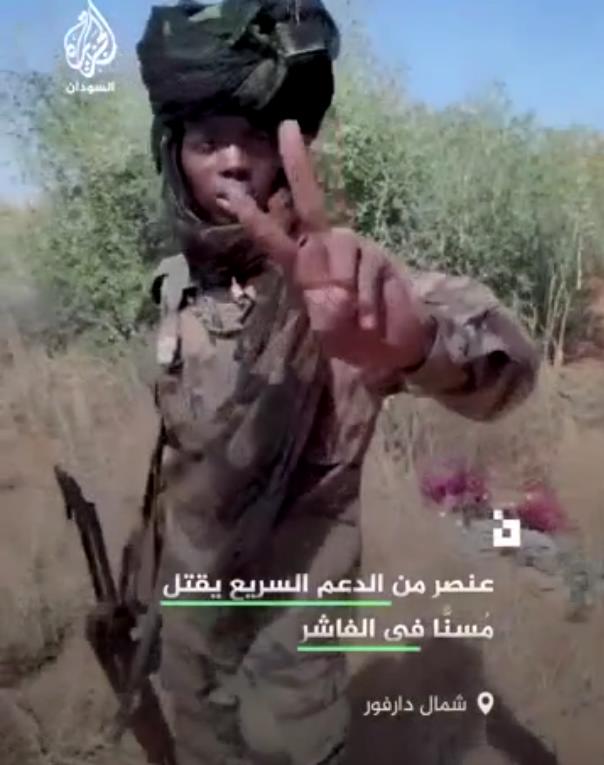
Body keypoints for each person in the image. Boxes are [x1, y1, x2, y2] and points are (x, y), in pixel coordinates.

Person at [131, 1, 540, 763]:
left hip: (288, 674)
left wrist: (415, 340)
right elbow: (180, 466)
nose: (232, 161)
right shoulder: (176, 286)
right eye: (207, 139)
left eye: (256, 137)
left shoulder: (337, 293)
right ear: (174, 153)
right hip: (190, 641)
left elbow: (506, 366)